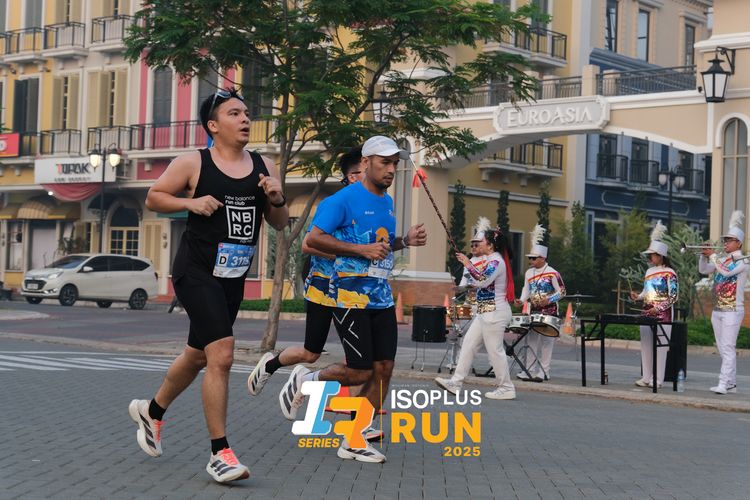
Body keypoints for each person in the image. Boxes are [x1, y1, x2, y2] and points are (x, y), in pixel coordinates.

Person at [128, 88, 288, 483]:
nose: (245, 118)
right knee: (222, 354)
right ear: (213, 125)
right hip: (195, 272)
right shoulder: (193, 162)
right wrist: (190, 203)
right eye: (235, 113)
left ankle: (152, 411)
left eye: (246, 113)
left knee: (198, 355)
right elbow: (154, 197)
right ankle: (220, 453)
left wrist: (276, 198)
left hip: (232, 277)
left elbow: (280, 223)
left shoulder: (264, 165)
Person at [284, 135, 427, 463]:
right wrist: (360, 250)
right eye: (384, 162)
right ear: (366, 163)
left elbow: (380, 244)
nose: (391, 170)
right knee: (361, 371)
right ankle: (307, 379)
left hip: (380, 296)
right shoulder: (341, 200)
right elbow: (313, 240)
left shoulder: (386, 202)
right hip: (349, 297)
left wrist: (405, 241)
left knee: (384, 369)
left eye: (394, 163)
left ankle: (355, 438)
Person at [246, 147, 381, 439]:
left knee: (352, 358)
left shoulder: (373, 207)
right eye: (361, 171)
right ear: (350, 177)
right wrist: (347, 254)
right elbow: (308, 244)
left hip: (351, 291)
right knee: (314, 353)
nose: (369, 176)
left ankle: (360, 423)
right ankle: (276, 366)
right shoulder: (337, 204)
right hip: (324, 286)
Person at [435, 227, 517, 400]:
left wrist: (468, 264)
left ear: (491, 245)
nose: (479, 243)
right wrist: (469, 275)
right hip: (486, 311)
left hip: (494, 312)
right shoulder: (491, 260)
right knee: (468, 345)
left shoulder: (496, 261)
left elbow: (482, 280)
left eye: (483, 240)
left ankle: (506, 387)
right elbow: (480, 281)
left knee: (495, 351)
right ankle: (456, 382)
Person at [699, 211, 748, 395]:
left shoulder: (743, 260)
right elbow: (704, 270)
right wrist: (704, 256)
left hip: (733, 309)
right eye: (725, 240)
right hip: (718, 308)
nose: (725, 243)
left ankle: (723, 383)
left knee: (727, 348)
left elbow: (726, 272)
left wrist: (713, 256)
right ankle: (731, 384)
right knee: (723, 348)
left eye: (729, 240)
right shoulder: (723, 259)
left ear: (738, 243)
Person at [629, 221, 678, 389]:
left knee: (661, 348)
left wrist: (659, 308)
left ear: (660, 255)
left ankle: (658, 379)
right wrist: (638, 296)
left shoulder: (670, 273)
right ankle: (646, 377)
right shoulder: (649, 272)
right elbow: (646, 292)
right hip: (647, 312)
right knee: (646, 346)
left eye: (652, 255)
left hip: (663, 314)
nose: (650, 258)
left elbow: (673, 296)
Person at [514, 224, 565, 382]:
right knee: (531, 341)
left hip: (550, 312)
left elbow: (562, 292)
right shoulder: (529, 273)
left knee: (546, 342)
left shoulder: (553, 273)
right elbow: (526, 289)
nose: (531, 260)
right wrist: (521, 300)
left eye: (534, 258)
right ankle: (529, 370)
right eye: (530, 258)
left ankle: (544, 371)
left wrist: (549, 299)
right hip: (534, 311)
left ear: (543, 258)